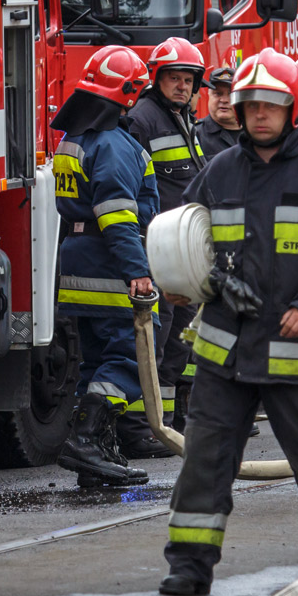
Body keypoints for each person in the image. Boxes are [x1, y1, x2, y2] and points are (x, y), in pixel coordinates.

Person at [159, 48, 298, 596]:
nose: (260, 115)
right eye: (251, 105)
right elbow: (187, 235)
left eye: (272, 105)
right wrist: (190, 277)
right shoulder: (220, 171)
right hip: (224, 353)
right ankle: (189, 568)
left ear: (292, 109)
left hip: (296, 353)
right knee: (204, 461)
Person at [51, 45, 160, 486]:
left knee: (95, 365)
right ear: (129, 94)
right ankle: (87, 442)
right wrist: (137, 270)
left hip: (77, 264)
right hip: (110, 263)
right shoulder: (115, 145)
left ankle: (95, 457)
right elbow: (118, 219)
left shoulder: (73, 139)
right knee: (126, 359)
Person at [123, 37, 208, 458]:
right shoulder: (143, 120)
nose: (181, 85)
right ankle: (140, 428)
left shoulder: (184, 118)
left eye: (187, 79)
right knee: (154, 340)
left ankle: (171, 423)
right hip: (156, 246)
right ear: (157, 80)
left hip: (183, 248)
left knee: (181, 339)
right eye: (174, 78)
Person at [195, 66, 239, 159]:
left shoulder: (255, 134)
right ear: (209, 95)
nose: (224, 100)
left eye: (231, 94)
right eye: (218, 94)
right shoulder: (195, 135)